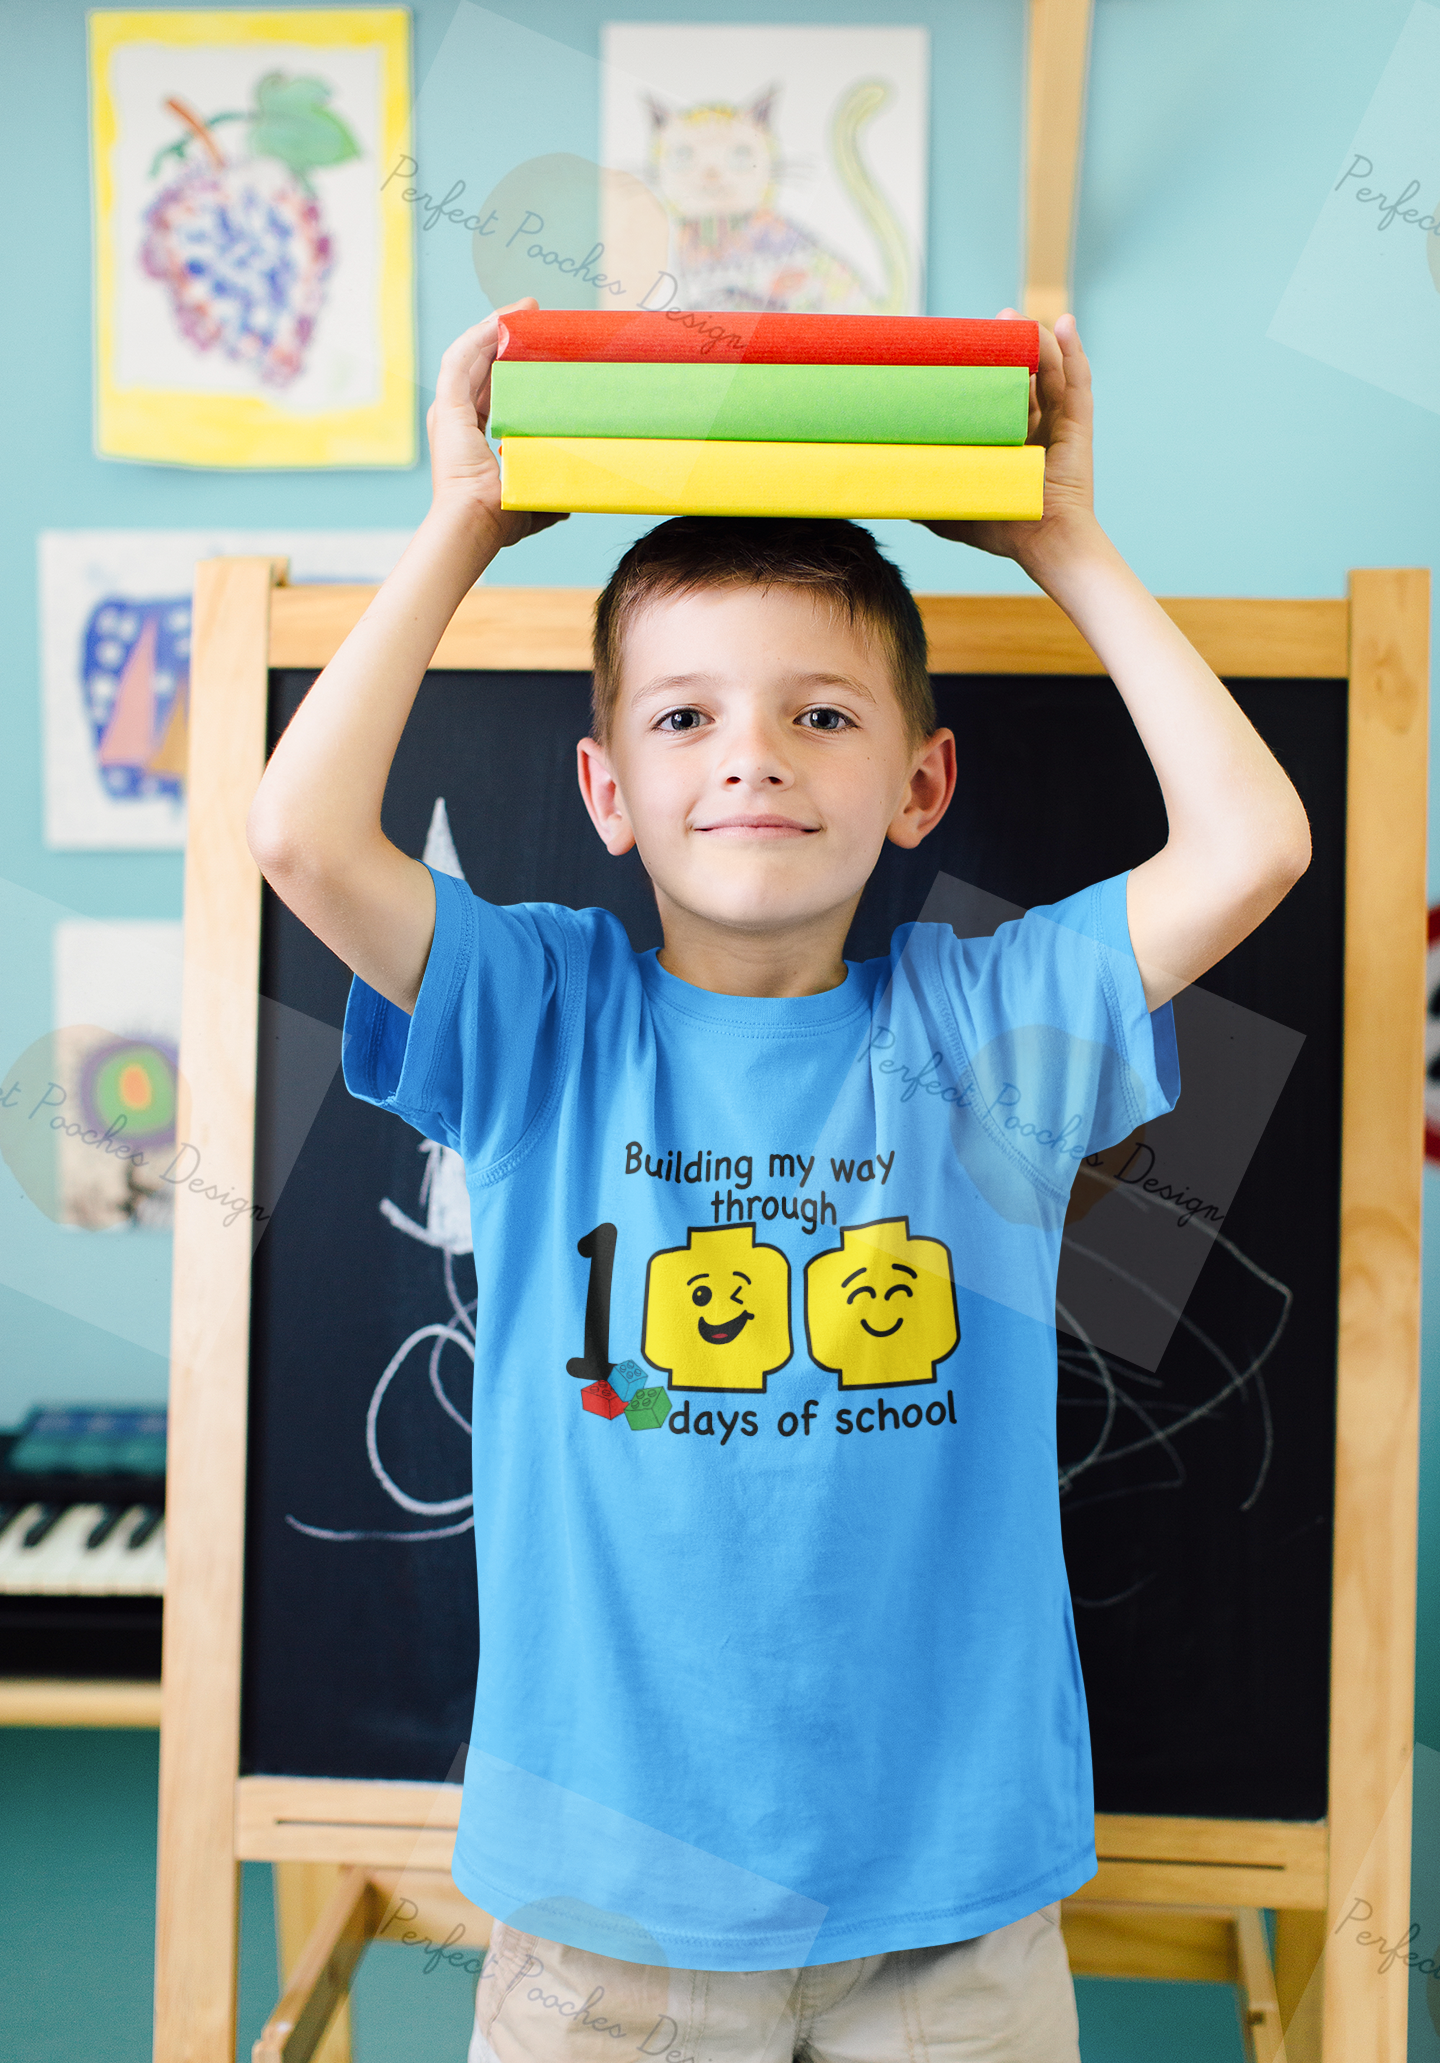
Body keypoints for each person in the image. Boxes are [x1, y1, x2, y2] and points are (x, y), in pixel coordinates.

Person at [246, 299, 1310, 2063]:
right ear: (604, 790)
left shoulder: (985, 1029)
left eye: (823, 714)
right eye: (682, 718)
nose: (750, 754)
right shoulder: (542, 1016)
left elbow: (1256, 843)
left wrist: (1061, 538)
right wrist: (466, 520)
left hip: (951, 1908)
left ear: (920, 784)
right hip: (606, 1912)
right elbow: (296, 835)